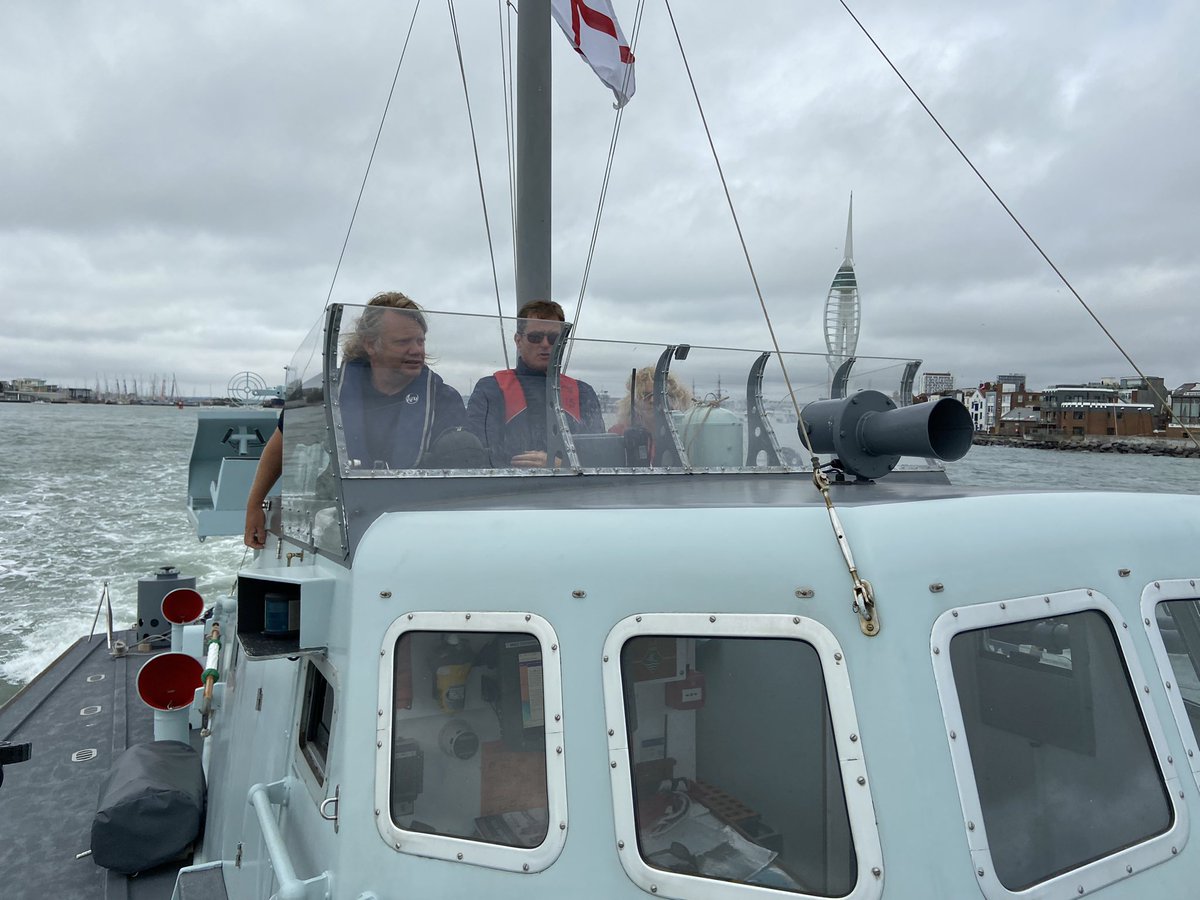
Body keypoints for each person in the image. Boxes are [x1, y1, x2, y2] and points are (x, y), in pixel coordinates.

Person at [243, 292, 466, 548]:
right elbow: (282, 444)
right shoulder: (325, 394)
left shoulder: (444, 399)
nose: (416, 350)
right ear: (371, 344)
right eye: (404, 341)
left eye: (420, 340)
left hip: (415, 522)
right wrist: (254, 506)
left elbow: (465, 462)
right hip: (337, 521)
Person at [466, 299, 605, 467]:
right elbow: (478, 454)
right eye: (535, 337)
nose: (545, 344)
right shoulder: (491, 389)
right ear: (518, 341)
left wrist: (560, 466)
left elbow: (600, 454)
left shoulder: (583, 393)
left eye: (554, 338)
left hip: (572, 489)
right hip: (510, 489)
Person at [609, 366, 693, 464]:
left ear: (674, 398)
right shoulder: (618, 435)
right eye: (645, 395)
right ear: (633, 401)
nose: (653, 400)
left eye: (660, 394)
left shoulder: (688, 435)